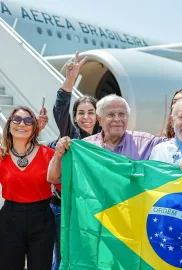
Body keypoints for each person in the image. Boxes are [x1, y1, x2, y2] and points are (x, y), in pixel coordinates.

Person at [47, 94, 182, 183]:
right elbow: (54, 178)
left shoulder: (148, 144)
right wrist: (59, 155)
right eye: (111, 114)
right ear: (99, 119)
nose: (117, 119)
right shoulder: (85, 148)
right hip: (96, 220)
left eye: (122, 114)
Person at [49, 52, 101, 270]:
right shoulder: (71, 136)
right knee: (62, 257)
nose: (86, 117)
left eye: (91, 112)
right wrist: (70, 79)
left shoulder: (106, 140)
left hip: (95, 208)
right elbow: (60, 109)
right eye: (81, 113)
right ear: (75, 117)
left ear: (99, 116)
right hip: (65, 207)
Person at [0, 106, 55, 270]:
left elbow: (62, 185)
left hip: (42, 219)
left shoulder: (49, 154)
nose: (22, 124)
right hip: (10, 218)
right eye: (16, 119)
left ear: (35, 126)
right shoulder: (2, 155)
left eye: (28, 120)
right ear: (9, 125)